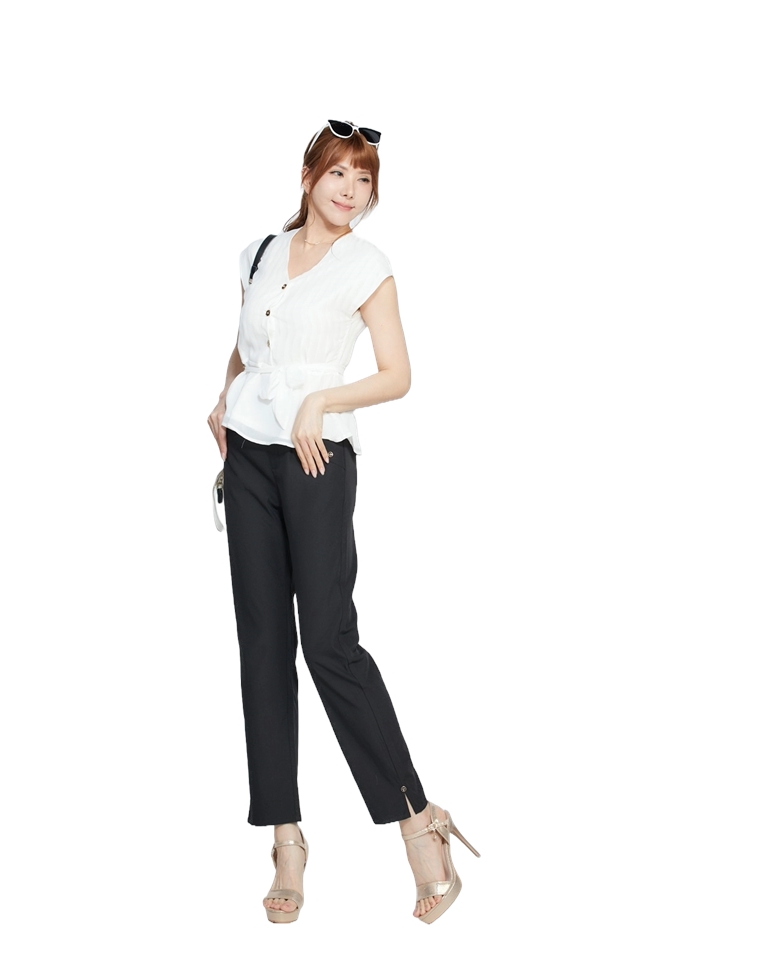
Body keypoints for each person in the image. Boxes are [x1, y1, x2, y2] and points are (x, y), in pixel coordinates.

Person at [207, 121, 479, 924]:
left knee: (329, 642)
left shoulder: (368, 265)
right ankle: (285, 836)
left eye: (364, 180)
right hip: (249, 457)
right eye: (338, 174)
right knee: (263, 644)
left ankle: (418, 819)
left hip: (317, 457)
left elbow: (398, 375)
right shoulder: (259, 253)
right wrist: (222, 399)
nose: (351, 191)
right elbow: (249, 345)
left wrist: (321, 399)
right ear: (308, 177)